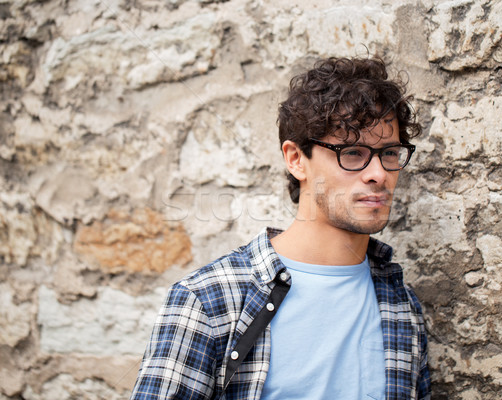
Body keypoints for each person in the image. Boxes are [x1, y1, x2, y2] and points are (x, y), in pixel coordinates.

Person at [130, 56, 431, 400]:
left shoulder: (401, 305)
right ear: (296, 159)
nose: (378, 173)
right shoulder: (208, 301)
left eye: (389, 152)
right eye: (352, 152)